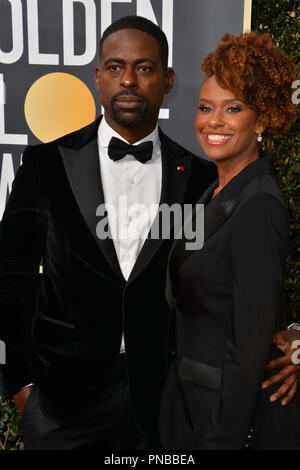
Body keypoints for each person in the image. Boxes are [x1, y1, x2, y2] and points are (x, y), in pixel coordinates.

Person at [0, 18, 298, 450]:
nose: (128, 80)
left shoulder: (198, 178)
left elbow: (245, 284)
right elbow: (12, 280)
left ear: (168, 79)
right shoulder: (46, 165)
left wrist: (294, 331)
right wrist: (22, 387)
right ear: (98, 77)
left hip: (160, 405)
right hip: (63, 406)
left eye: (144, 67)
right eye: (115, 66)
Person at [159, 32, 300, 450]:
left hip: (222, 420)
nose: (213, 122)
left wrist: (221, 440)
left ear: (261, 120)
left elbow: (248, 347)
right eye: (205, 108)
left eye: (233, 109)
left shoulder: (259, 205)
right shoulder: (216, 192)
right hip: (188, 405)